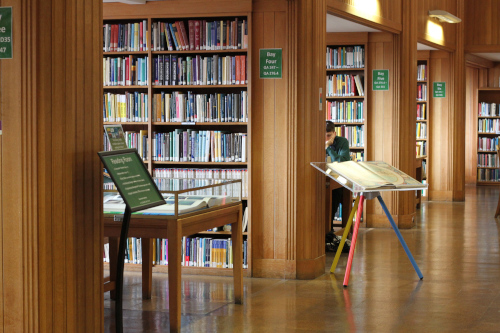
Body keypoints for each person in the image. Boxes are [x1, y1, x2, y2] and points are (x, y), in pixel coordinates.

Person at [325, 121, 351, 252]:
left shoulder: (342, 142)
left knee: (334, 198)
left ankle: (329, 233)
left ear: (334, 133)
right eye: (324, 136)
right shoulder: (315, 140)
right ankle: (325, 234)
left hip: (338, 179)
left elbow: (342, 161)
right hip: (322, 177)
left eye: (329, 135)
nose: (326, 138)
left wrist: (328, 147)